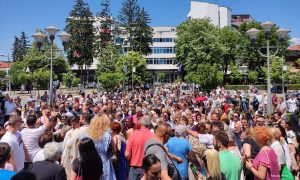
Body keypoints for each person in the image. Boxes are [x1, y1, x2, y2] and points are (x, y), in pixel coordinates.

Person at [125, 115, 154, 180]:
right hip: (148, 168)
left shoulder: (133, 134)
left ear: (140, 123)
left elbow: (127, 154)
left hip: (135, 167)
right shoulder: (153, 136)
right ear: (149, 124)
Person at [88, 113, 116, 180]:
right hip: (105, 161)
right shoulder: (107, 135)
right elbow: (114, 149)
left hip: (92, 161)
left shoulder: (89, 134)